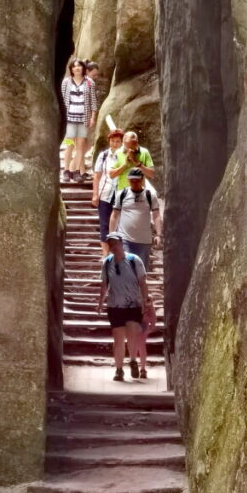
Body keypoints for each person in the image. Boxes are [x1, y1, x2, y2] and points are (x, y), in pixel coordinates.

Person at [97, 233, 153, 381]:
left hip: (133, 304)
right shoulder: (107, 262)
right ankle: (119, 369)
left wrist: (146, 301)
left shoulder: (134, 260)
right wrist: (100, 303)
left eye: (115, 243)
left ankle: (133, 360)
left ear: (121, 243)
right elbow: (104, 285)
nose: (113, 247)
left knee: (132, 334)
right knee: (118, 339)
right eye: (110, 244)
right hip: (115, 306)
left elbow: (143, 283)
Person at [109, 167, 162, 271]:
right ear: (128, 180)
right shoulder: (122, 194)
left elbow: (156, 215)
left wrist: (158, 234)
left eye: (137, 180)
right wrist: (112, 235)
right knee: (126, 270)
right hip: (125, 240)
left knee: (141, 272)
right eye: (132, 180)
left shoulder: (150, 195)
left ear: (142, 179)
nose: (134, 183)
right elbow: (114, 215)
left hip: (144, 241)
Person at [60, 58, 97, 183]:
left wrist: (93, 117)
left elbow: (93, 102)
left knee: (81, 145)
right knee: (69, 144)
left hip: (83, 117)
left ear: (83, 68)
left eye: (79, 66)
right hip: (69, 118)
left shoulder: (89, 82)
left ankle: (76, 172)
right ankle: (66, 171)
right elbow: (62, 99)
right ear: (71, 69)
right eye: (74, 66)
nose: (77, 68)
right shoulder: (66, 82)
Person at [91, 129, 124, 258]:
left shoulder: (125, 156)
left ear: (122, 143)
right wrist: (95, 194)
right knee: (104, 224)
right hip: (105, 194)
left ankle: (117, 252)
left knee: (119, 224)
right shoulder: (103, 155)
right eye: (112, 141)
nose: (115, 144)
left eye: (118, 141)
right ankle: (105, 254)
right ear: (109, 141)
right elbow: (97, 176)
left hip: (120, 194)